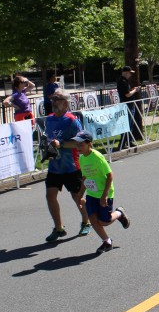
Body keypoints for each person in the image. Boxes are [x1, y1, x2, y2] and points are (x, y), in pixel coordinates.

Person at [43, 89, 91, 241]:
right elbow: (49, 138)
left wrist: (61, 144)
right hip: (54, 166)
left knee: (77, 196)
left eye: (57, 100)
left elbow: (80, 142)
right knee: (50, 196)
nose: (53, 103)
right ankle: (58, 228)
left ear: (65, 103)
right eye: (52, 100)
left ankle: (86, 221)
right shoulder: (49, 119)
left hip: (71, 166)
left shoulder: (71, 120)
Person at [73, 131, 129, 253]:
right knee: (92, 217)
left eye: (81, 144)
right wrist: (80, 195)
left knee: (104, 221)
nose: (78, 147)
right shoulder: (81, 159)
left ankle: (119, 213)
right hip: (92, 193)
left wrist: (104, 195)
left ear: (89, 144)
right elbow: (85, 177)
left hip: (104, 193)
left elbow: (109, 175)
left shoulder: (97, 157)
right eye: (77, 144)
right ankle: (107, 242)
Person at [116, 65, 143, 150]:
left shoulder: (125, 81)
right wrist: (135, 90)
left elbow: (128, 91)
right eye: (130, 73)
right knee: (126, 125)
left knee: (130, 124)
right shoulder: (122, 81)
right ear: (126, 73)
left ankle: (129, 141)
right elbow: (127, 94)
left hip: (130, 105)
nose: (130, 75)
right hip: (126, 105)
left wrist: (132, 89)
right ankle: (122, 143)